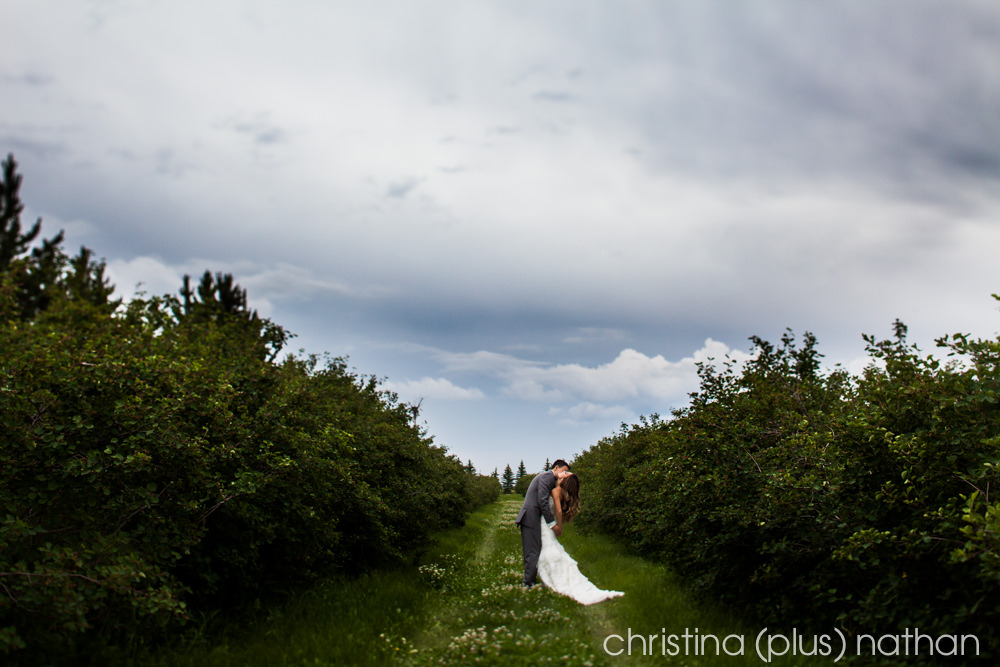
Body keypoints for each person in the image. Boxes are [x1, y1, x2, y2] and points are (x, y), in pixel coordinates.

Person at [535, 472, 623, 605]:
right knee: (550, 548)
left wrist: (558, 526)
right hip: (547, 524)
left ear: (565, 480)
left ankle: (552, 578)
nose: (562, 474)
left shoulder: (555, 490)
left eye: (565, 474)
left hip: (546, 525)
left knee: (547, 549)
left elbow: (558, 510)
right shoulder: (561, 491)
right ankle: (552, 576)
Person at [515, 460, 570, 587]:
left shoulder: (549, 479)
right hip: (530, 517)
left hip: (533, 517)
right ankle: (528, 584)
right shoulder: (547, 476)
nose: (565, 474)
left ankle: (535, 581)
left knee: (536, 550)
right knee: (532, 551)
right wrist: (552, 524)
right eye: (564, 471)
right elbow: (542, 500)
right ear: (556, 468)